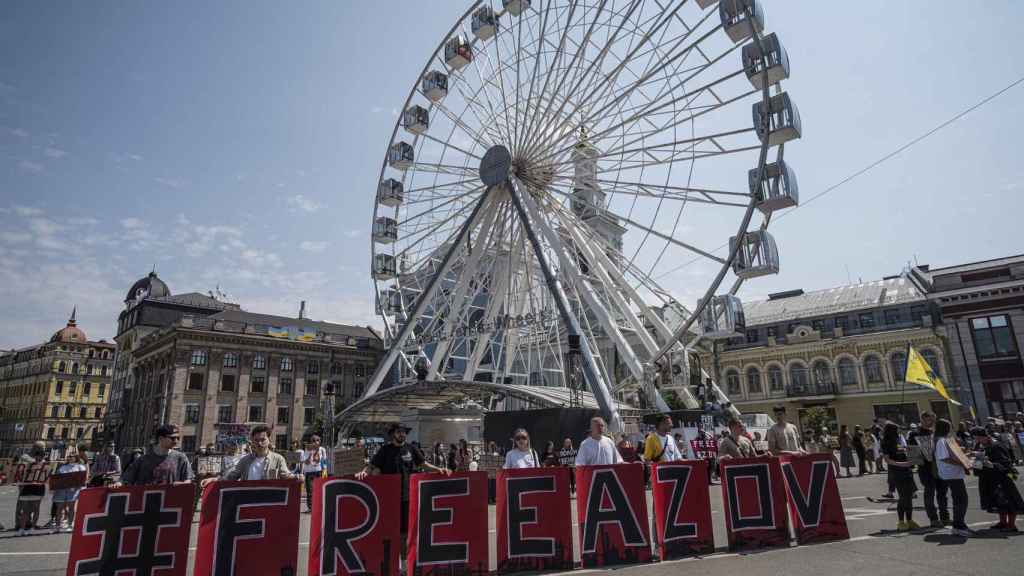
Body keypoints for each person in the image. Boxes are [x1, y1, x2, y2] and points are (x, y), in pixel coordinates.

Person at [355, 423, 449, 551]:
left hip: (407, 496)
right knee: (390, 528)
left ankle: (404, 560)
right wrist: (363, 472)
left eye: (404, 432)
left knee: (406, 529)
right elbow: (372, 466)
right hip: (389, 497)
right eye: (399, 432)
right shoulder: (385, 450)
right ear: (393, 434)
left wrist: (439, 469)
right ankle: (391, 558)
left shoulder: (411, 448)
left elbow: (424, 464)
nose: (402, 434)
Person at [202, 425, 297, 486]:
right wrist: (214, 479)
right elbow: (232, 476)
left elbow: (286, 475)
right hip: (248, 499)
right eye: (256, 440)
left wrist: (297, 477)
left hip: (268, 500)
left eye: (263, 440)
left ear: (269, 440)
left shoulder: (278, 459)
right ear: (252, 441)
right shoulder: (245, 460)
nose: (259, 443)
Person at [972, 427, 1023, 532]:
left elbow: (1006, 463)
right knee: (998, 501)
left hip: (1002, 478)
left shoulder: (996, 445)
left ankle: (1011, 525)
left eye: (978, 438)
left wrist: (992, 464)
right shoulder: (980, 445)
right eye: (975, 438)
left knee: (1008, 501)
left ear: (985, 436)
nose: (977, 441)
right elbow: (979, 459)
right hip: (990, 478)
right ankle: (1003, 522)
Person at [121, 424, 194, 486]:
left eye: (178, 438)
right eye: (173, 438)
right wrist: (118, 484)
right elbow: (126, 479)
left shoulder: (181, 458)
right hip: (147, 500)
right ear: (161, 438)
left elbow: (188, 480)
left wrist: (183, 484)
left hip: (170, 500)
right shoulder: (143, 459)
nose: (176, 441)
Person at [934, 419, 971, 536]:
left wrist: (964, 455)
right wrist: (962, 463)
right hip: (951, 474)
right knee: (961, 500)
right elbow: (944, 458)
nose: (951, 429)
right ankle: (958, 526)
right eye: (949, 426)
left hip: (954, 474)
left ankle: (959, 524)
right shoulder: (941, 441)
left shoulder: (946, 440)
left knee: (960, 499)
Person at [912, 412, 949, 528]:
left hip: (939, 468)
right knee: (930, 494)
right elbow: (913, 456)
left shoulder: (936, 433)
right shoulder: (915, 434)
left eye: (934, 420)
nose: (933, 422)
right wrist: (926, 452)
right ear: (923, 420)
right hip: (926, 469)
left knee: (943, 493)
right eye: (930, 420)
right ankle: (933, 519)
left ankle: (945, 517)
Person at [881, 421, 918, 531]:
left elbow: (904, 452)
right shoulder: (886, 442)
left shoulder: (899, 439)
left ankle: (910, 520)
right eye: (896, 430)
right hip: (896, 472)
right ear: (891, 431)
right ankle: (901, 522)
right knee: (903, 497)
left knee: (910, 496)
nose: (899, 432)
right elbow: (887, 460)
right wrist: (901, 464)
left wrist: (912, 457)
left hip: (907, 470)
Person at [14, 442, 48, 536]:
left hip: (37, 484)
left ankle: (30, 523)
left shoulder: (41, 458)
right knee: (22, 506)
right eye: (42, 447)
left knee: (34, 506)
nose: (43, 449)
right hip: (25, 484)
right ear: (36, 448)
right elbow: (21, 470)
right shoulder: (25, 457)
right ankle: (18, 523)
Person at [51, 452, 88, 533]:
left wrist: (76, 487)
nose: (70, 457)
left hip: (73, 491)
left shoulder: (80, 467)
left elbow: (82, 480)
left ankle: (70, 525)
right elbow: (56, 478)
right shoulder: (62, 467)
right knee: (59, 509)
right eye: (69, 456)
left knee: (71, 508)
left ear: (76, 457)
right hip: (61, 491)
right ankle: (57, 526)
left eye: (72, 456)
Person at [301, 435, 328, 513]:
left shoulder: (322, 449)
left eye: (317, 440)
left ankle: (319, 507)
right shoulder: (307, 449)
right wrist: (310, 454)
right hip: (309, 473)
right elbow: (305, 462)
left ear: (319, 442)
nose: (315, 442)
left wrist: (325, 471)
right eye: (313, 440)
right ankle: (310, 508)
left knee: (319, 490)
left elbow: (324, 461)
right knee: (310, 491)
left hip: (319, 472)